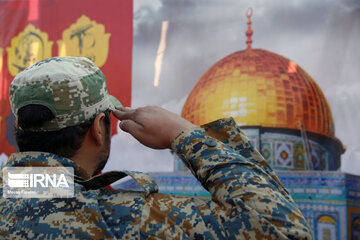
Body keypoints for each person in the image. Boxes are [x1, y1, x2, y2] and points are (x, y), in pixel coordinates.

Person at [0, 56, 313, 239]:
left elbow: (47, 188)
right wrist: (185, 134)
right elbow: (282, 228)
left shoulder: (19, 191)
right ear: (98, 128)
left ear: (20, 130)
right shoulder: (126, 217)